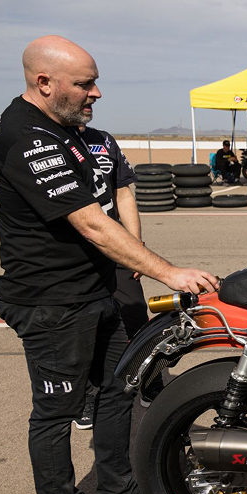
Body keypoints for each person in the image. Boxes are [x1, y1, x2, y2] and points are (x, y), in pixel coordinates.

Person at [0, 35, 220, 494]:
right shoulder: (28, 138)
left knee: (119, 389)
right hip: (51, 302)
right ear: (43, 83)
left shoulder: (69, 129)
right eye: (85, 83)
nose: (97, 93)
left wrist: (132, 258)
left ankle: (117, 490)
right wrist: (168, 272)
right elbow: (91, 223)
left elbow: (117, 195)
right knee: (56, 409)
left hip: (96, 290)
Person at [73, 126, 164, 430]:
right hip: (76, 254)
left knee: (138, 318)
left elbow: (123, 193)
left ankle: (150, 381)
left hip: (117, 245)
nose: (91, 97)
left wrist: (136, 245)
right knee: (85, 328)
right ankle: (87, 395)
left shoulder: (103, 140)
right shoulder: (49, 140)